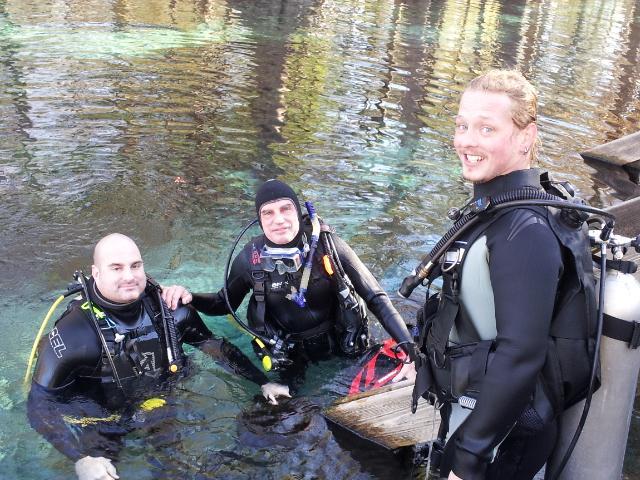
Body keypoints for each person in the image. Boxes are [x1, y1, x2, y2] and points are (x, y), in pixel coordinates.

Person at [409, 69, 597, 480]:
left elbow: (521, 352)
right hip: (474, 417)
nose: (466, 140)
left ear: (525, 137)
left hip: (503, 441)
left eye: (486, 128)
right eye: (462, 125)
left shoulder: (524, 231)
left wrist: (470, 457)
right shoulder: (494, 211)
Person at [27, 233, 290, 480]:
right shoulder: (73, 334)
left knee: (173, 467)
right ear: (96, 273)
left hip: (159, 401)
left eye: (135, 265)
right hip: (101, 414)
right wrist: (80, 459)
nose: (129, 276)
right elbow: (39, 405)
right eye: (116, 268)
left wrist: (262, 382)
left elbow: (215, 346)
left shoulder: (171, 311)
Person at [162, 179, 415, 387]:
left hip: (342, 340)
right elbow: (223, 303)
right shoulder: (250, 260)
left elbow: (376, 298)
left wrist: (413, 355)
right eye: (268, 213)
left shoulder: (327, 245)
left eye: (286, 209)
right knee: (286, 417)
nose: (278, 219)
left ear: (297, 210)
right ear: (259, 220)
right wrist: (189, 296)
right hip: (292, 354)